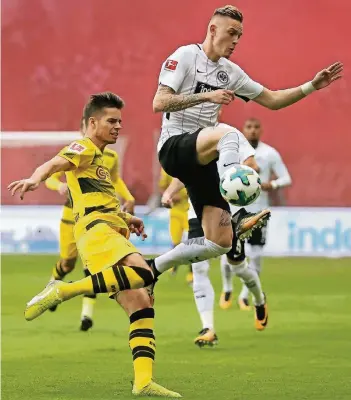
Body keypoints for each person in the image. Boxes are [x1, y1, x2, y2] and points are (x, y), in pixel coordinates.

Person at [8, 92, 181, 398]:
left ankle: (143, 381)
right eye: (111, 121)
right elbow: (53, 164)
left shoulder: (100, 158)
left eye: (120, 121)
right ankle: (63, 289)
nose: (118, 127)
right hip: (96, 231)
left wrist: (125, 217)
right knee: (145, 273)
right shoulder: (84, 147)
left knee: (141, 304)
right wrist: (36, 179)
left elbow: (96, 197)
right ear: (92, 122)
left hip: (105, 228)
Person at [150, 5, 342, 278]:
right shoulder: (185, 56)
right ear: (213, 30)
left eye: (239, 35)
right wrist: (207, 96)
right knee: (228, 133)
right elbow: (160, 102)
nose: (236, 40)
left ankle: (154, 267)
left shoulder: (231, 73)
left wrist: (311, 86)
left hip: (201, 160)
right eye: (231, 33)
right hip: (174, 147)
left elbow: (273, 100)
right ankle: (239, 207)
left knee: (221, 241)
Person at [162, 124, 267, 347]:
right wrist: (170, 192)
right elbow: (185, 173)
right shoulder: (193, 139)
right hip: (197, 209)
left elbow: (251, 163)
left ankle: (259, 299)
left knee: (238, 267)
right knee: (198, 266)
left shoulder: (230, 133)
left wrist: (244, 175)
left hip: (229, 210)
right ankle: (208, 327)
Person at [45, 118, 136, 331]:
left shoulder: (111, 156)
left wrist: (129, 197)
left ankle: (86, 315)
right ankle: (51, 289)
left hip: (96, 220)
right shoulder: (73, 152)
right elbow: (50, 175)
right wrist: (58, 186)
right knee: (67, 263)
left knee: (92, 267)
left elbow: (116, 180)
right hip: (71, 217)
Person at [220, 118, 292, 310]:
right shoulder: (234, 152)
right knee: (228, 251)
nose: (252, 131)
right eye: (249, 127)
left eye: (256, 127)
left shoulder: (269, 153)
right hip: (235, 210)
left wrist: (272, 185)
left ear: (261, 130)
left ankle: (245, 295)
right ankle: (227, 288)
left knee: (256, 253)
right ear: (243, 130)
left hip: (259, 210)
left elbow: (286, 178)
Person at [159, 168, 193, 284]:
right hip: (175, 211)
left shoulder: (190, 164)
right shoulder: (166, 168)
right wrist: (170, 196)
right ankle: (174, 265)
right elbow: (162, 187)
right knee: (176, 242)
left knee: (192, 242)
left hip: (190, 210)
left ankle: (191, 273)